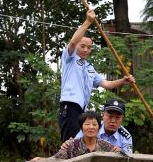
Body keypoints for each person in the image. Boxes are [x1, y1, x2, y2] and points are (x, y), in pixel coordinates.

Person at [58, 9, 135, 142]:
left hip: (82, 110)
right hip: (69, 107)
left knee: (80, 143)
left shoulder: (90, 68)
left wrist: (123, 80)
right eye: (82, 46)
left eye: (89, 47)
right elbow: (72, 43)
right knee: (70, 143)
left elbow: (106, 84)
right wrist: (88, 21)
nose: (86, 50)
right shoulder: (69, 58)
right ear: (77, 46)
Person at [30, 111, 120, 162]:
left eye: (94, 124)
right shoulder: (71, 145)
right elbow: (55, 159)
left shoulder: (105, 145)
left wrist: (118, 152)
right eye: (87, 124)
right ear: (81, 128)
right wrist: (41, 159)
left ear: (98, 128)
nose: (91, 127)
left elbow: (119, 156)